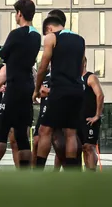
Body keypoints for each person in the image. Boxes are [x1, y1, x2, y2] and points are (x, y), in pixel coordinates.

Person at [0, 0, 41, 169]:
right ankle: (25, 172)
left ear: (19, 13)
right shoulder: (37, 36)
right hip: (27, 88)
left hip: (13, 86)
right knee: (22, 134)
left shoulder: (16, 33)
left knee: (1, 131)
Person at [34, 15, 85, 169]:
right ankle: (71, 171)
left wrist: (36, 89)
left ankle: (39, 169)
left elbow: (43, 66)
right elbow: (81, 65)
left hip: (59, 90)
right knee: (70, 133)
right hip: (77, 90)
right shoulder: (80, 40)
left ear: (49, 28)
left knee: (45, 130)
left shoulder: (51, 38)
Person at [79, 57, 104, 170]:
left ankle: (91, 174)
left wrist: (97, 115)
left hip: (89, 119)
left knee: (89, 146)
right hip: (76, 120)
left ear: (84, 63)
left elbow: (100, 95)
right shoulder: (74, 79)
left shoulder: (90, 77)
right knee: (79, 148)